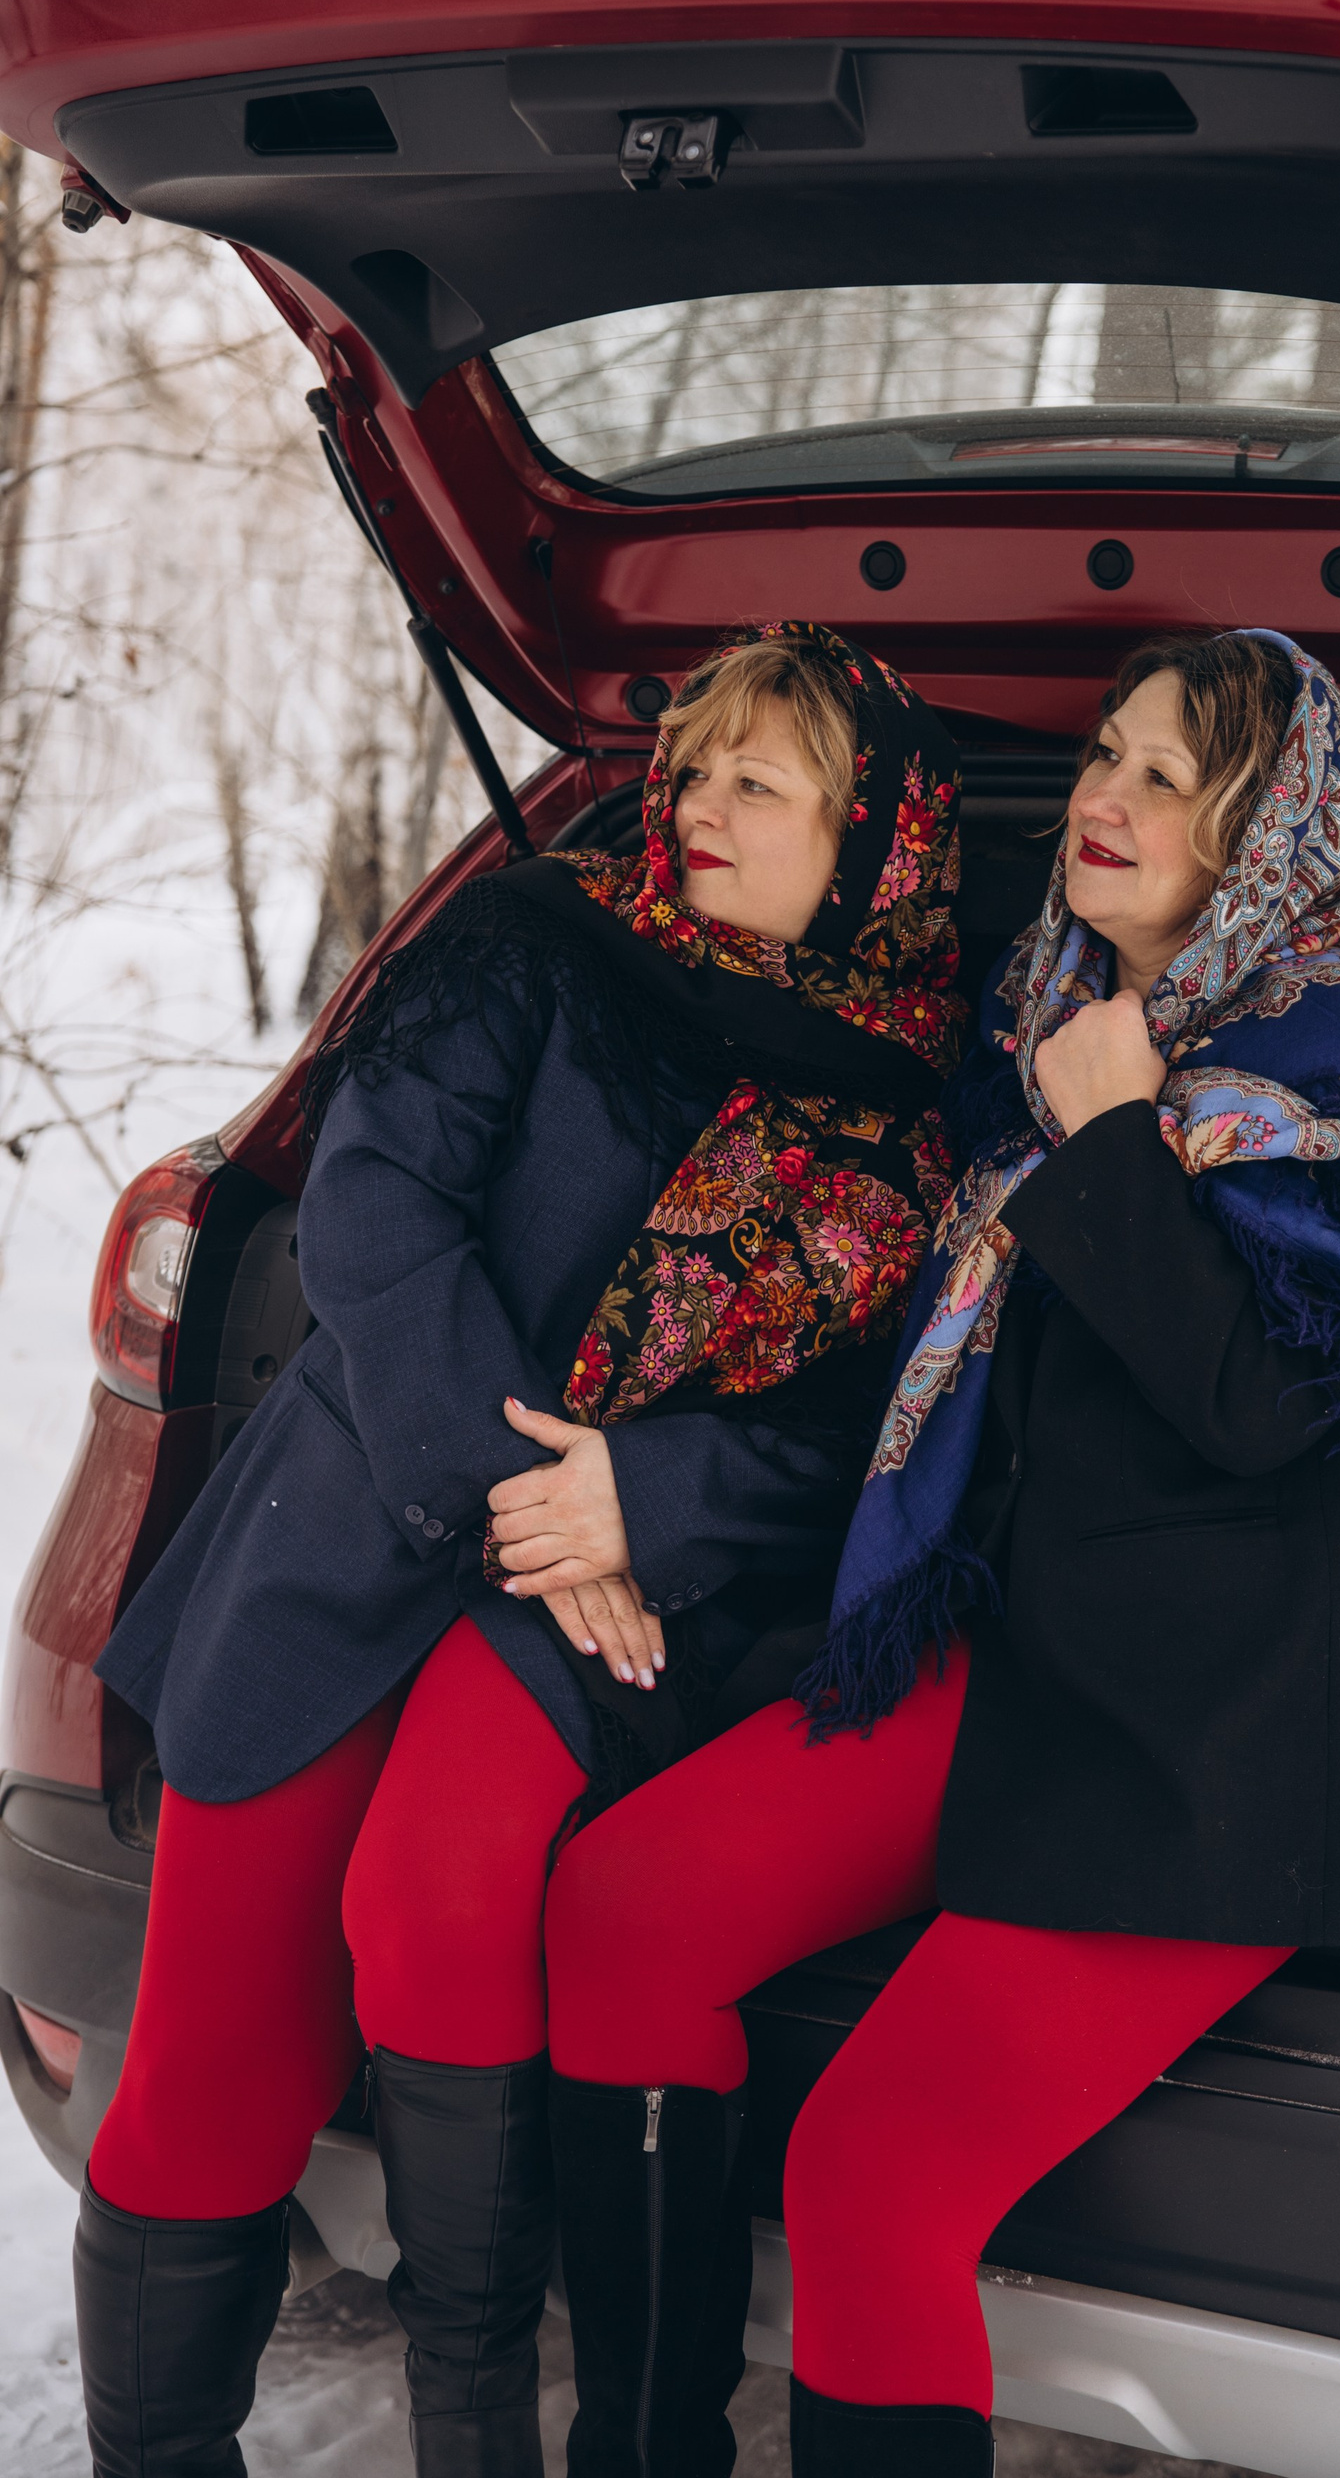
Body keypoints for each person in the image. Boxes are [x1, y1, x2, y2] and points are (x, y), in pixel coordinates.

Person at [535, 626, 1340, 2478]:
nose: (1102, 797)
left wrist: (1120, 1132)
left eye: (1166, 774)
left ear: (1273, 831)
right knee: (624, 1910)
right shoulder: (1047, 1027)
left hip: (1230, 1741)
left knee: (872, 2168)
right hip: (1034, 1645)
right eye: (1102, 755)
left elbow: (1270, 1406)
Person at [75, 623, 965, 2478]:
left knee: (440, 1924)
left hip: (609, 1609)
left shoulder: (913, 1113)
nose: (700, 805)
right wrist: (540, 1505)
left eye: (762, 781)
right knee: (214, 2066)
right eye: (694, 764)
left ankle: (469, 2431)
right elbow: (375, 1210)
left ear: (872, 838)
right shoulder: (536, 943)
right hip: (359, 1536)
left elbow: (875, 1439)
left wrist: (652, 1496)